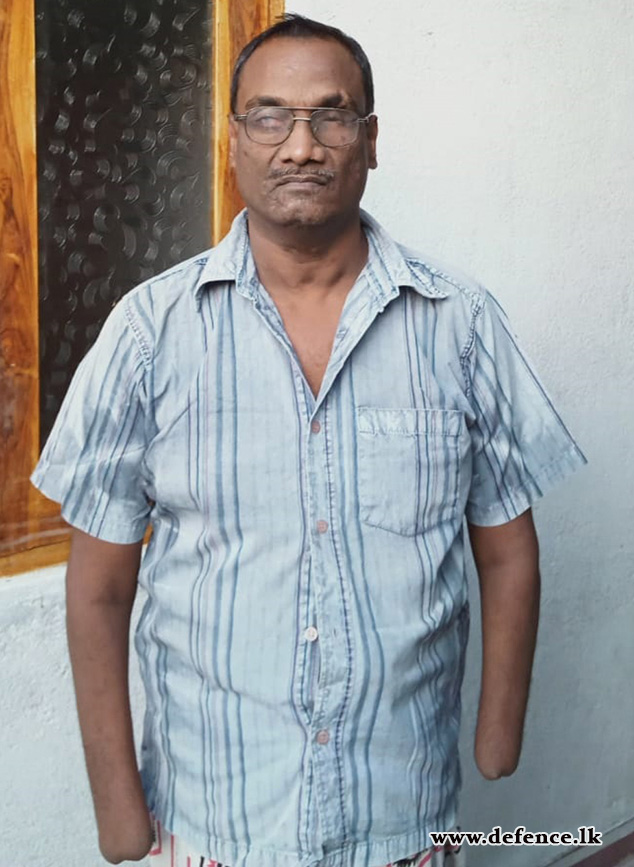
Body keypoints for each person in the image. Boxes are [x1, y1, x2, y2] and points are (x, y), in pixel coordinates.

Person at [32, 14, 586, 867]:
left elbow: (509, 549)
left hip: (406, 819)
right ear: (231, 141)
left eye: (332, 116)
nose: (301, 145)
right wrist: (119, 810)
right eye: (269, 116)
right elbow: (100, 589)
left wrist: (497, 735)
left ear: (370, 141)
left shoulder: (459, 327)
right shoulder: (150, 334)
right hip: (217, 824)